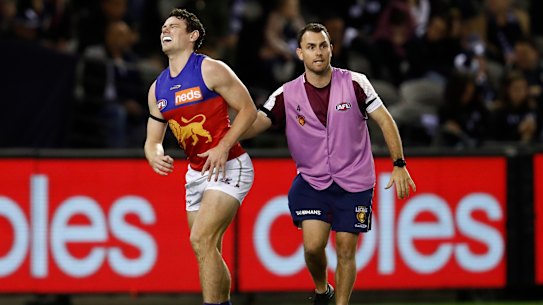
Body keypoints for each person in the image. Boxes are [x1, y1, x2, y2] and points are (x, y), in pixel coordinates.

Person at [242, 23, 416, 305]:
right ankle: (323, 290)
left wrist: (399, 163)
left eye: (323, 45)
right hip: (312, 181)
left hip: (355, 181)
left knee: (346, 249)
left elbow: (385, 119)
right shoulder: (286, 93)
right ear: (300, 53)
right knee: (312, 247)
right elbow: (258, 122)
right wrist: (225, 136)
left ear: (332, 49)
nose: (318, 52)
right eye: (311, 47)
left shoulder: (356, 82)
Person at [144, 8, 257, 305]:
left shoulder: (210, 69)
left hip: (230, 163)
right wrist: (154, 155)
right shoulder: (158, 89)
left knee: (200, 240)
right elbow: (152, 140)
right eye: (163, 27)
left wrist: (222, 146)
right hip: (196, 173)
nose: (164, 30)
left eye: (173, 26)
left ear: (193, 36)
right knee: (207, 250)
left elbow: (248, 110)